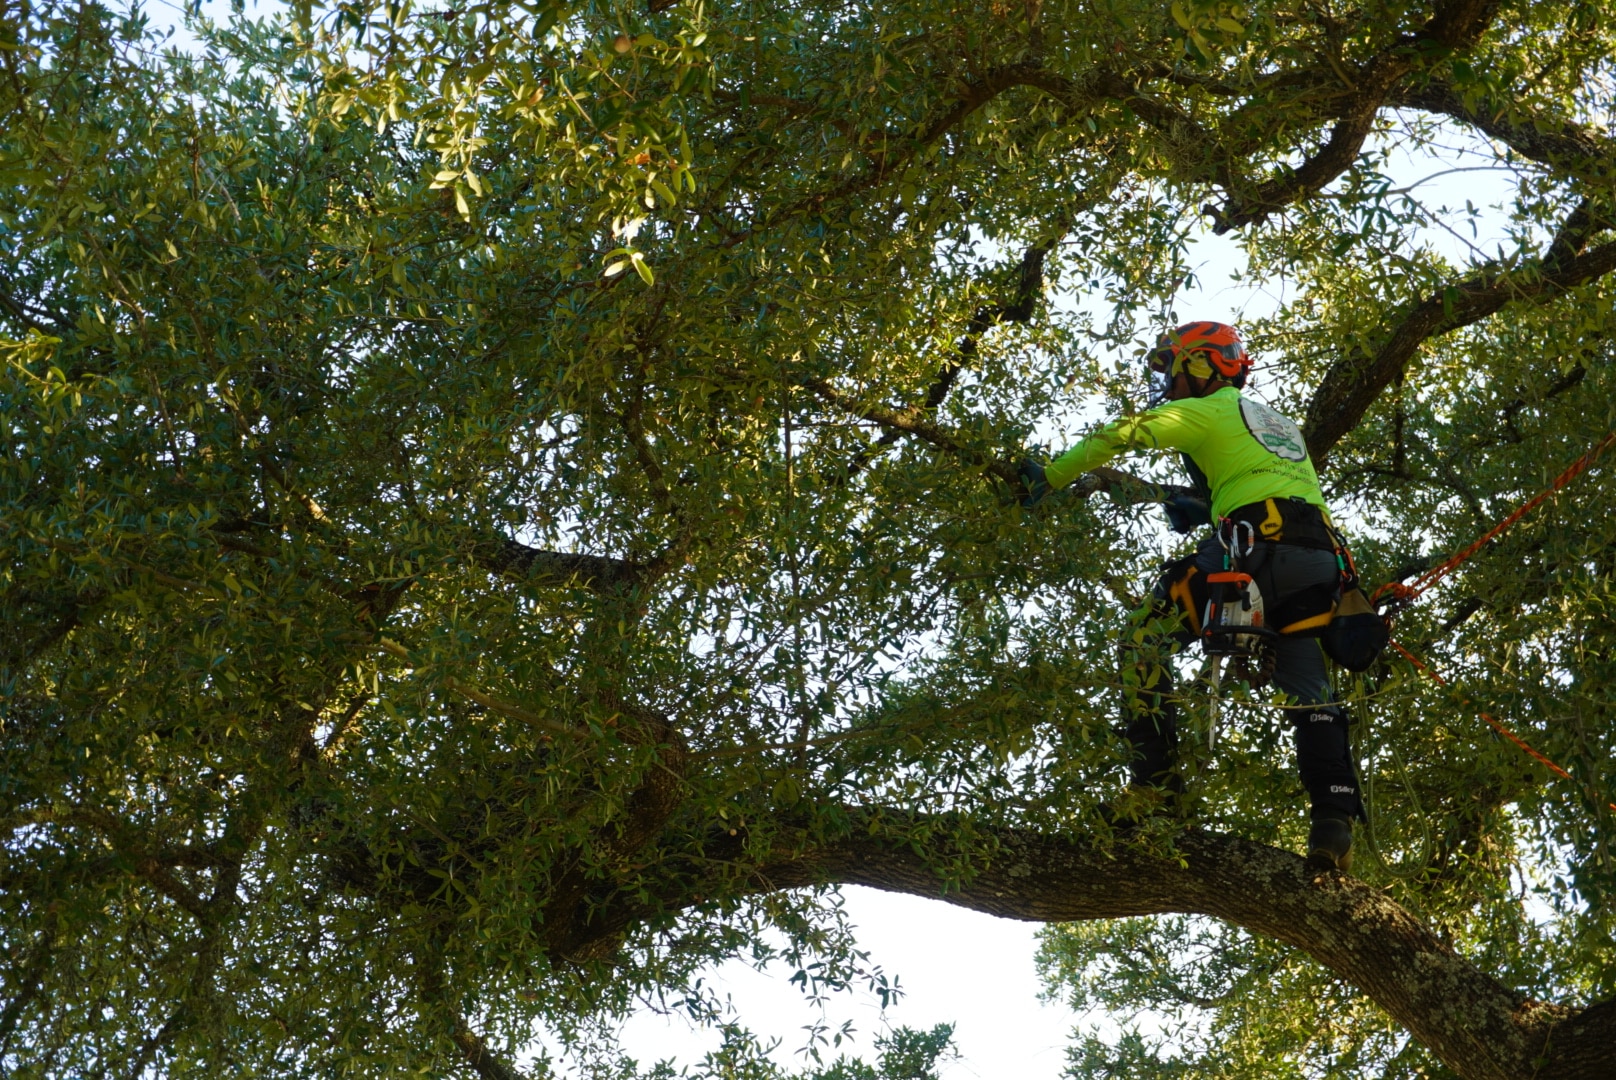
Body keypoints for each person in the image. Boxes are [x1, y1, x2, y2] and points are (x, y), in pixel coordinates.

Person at [1021, 321, 1363, 871]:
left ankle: (1154, 788)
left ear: (1201, 364)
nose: (1169, 384)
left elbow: (1123, 433)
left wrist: (1050, 477)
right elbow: (1261, 479)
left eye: (1174, 369)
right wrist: (1205, 507)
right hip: (1318, 562)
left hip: (1254, 554)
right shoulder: (1276, 424)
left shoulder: (1206, 411)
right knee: (1310, 693)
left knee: (1144, 639)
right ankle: (1333, 819)